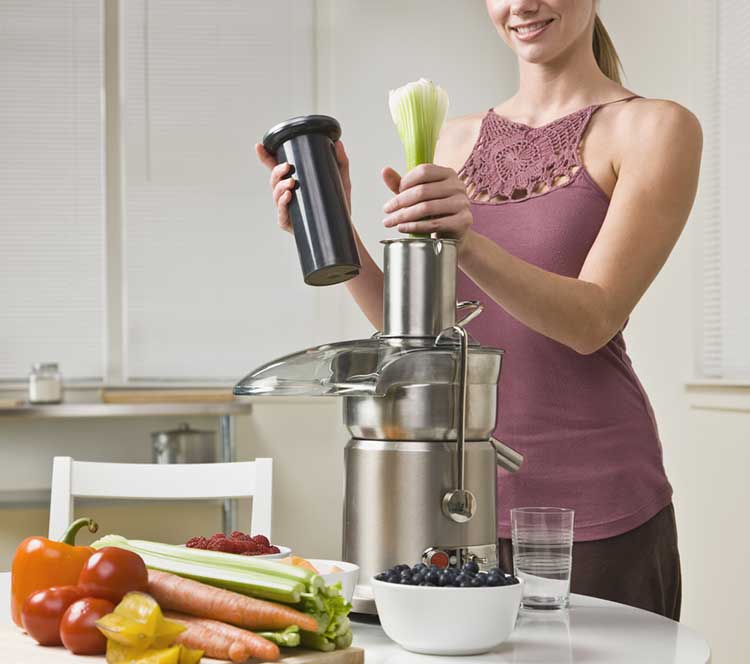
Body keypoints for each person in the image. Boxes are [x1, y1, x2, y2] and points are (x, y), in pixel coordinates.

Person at [256, 0, 702, 620]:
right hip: (451, 502)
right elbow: (419, 332)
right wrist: (335, 228)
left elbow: (593, 320)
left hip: (592, 504)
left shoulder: (655, 128)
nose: (521, 4)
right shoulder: (452, 139)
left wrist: (467, 241)